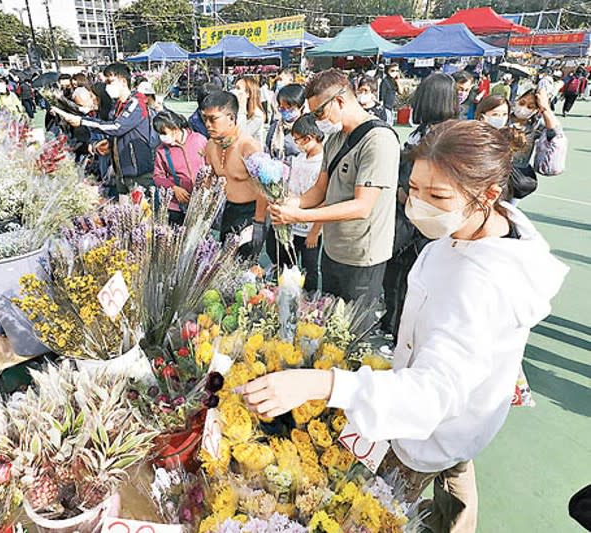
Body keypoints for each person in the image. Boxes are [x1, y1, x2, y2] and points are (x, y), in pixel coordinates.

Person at [241, 119, 568, 533]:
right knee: (456, 462)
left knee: (393, 501)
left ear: (487, 194)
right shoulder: (485, 226)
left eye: (437, 195)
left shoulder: (483, 282)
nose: (419, 204)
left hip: (434, 425)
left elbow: (433, 393)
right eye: (413, 189)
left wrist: (322, 384)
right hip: (460, 416)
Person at [270, 68, 400, 302]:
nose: (318, 122)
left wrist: (299, 216)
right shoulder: (335, 139)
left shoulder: (378, 140)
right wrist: (291, 202)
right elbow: (320, 189)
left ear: (339, 101)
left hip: (361, 255)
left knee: (352, 329)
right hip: (332, 250)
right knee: (326, 322)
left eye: (320, 113)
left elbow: (362, 207)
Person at [380, 72, 458, 343]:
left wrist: (406, 193)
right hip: (413, 220)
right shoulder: (425, 132)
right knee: (402, 280)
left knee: (411, 281)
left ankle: (401, 331)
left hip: (420, 224)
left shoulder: (442, 137)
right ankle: (394, 324)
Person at [64, 63, 157, 195]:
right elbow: (114, 130)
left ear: (123, 81)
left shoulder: (136, 103)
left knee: (144, 212)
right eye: (105, 81)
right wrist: (108, 143)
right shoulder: (118, 105)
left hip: (138, 172)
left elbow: (117, 127)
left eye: (110, 81)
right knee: (125, 212)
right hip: (121, 171)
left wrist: (82, 121)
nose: (107, 86)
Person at [201, 91, 266, 258]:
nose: (207, 124)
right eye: (205, 119)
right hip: (228, 210)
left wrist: (259, 223)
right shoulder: (210, 145)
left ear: (231, 118)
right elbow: (209, 179)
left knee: (244, 265)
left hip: (250, 213)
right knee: (224, 262)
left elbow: (264, 189)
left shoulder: (248, 146)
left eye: (213, 119)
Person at [265, 114, 324, 292]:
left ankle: (309, 300)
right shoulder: (298, 159)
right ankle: (286, 295)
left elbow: (324, 200)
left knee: (309, 269)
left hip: (309, 229)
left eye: (297, 140)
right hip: (290, 225)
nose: (296, 143)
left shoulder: (323, 164)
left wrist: (315, 232)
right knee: (287, 266)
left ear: (309, 138)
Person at [152, 110, 207, 226]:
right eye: (159, 133)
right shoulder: (162, 151)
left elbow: (210, 164)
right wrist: (173, 188)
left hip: (201, 202)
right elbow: (157, 176)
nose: (162, 137)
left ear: (175, 128)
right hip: (176, 205)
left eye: (164, 132)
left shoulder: (199, 140)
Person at [509, 88, 565, 200]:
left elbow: (555, 133)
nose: (523, 108)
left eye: (530, 107)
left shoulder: (535, 125)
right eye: (522, 103)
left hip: (518, 175)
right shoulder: (504, 117)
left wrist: (545, 107)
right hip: (496, 170)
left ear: (536, 110)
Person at [265, 84, 305, 162]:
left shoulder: (306, 129)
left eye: (289, 108)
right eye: (282, 108)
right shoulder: (275, 127)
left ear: (301, 107)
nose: (285, 111)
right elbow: (267, 150)